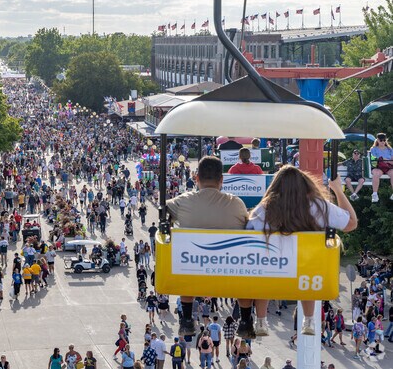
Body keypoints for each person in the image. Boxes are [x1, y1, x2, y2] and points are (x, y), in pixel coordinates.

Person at [247, 165, 358, 335]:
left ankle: (261, 320)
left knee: (264, 279)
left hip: (273, 268)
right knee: (309, 276)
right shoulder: (318, 206)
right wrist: (338, 191)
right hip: (304, 267)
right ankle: (308, 320)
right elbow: (351, 223)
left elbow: (249, 230)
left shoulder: (265, 208)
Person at [166, 157, 253, 338]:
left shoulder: (183, 202)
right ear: (221, 180)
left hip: (194, 274)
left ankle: (187, 319)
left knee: (185, 257)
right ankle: (245, 321)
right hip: (231, 275)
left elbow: (163, 210)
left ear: (196, 178)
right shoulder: (236, 204)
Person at [369, 133, 393, 202]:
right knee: (376, 173)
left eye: (384, 140)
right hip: (378, 167)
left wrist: (386, 160)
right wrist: (381, 160)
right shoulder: (373, 149)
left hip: (388, 167)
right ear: (377, 140)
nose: (382, 142)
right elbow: (373, 161)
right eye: (381, 140)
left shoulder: (390, 149)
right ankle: (375, 194)